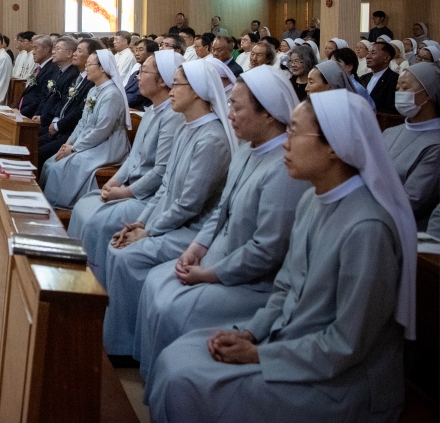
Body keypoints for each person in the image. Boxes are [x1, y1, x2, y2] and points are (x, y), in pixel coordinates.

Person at [148, 90, 416, 423]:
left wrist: (260, 355)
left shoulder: (367, 229)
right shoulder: (313, 199)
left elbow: (347, 343)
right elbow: (286, 287)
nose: (285, 144)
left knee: (187, 381)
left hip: (341, 379)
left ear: (335, 146)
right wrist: (252, 332)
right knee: (179, 355)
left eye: (294, 132)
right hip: (292, 342)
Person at [135, 66, 306, 385]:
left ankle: (174, 381)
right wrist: (196, 248)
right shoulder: (246, 150)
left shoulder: (283, 169)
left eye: (237, 108)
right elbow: (221, 211)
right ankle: (152, 376)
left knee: (175, 306)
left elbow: (267, 251)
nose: (229, 115)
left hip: (253, 282)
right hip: (218, 257)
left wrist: (211, 274)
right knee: (156, 282)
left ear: (269, 114)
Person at [103, 60, 236, 358]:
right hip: (168, 222)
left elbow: (189, 205)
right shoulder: (187, 128)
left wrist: (149, 232)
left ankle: (126, 345)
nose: (171, 90)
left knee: (127, 257)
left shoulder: (212, 139)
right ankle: (120, 332)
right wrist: (140, 224)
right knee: (118, 245)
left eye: (177, 85)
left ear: (197, 91)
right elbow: (164, 188)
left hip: (192, 229)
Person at [69, 51, 186, 283]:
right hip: (132, 188)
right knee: (83, 206)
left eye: (143, 71)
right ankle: (74, 275)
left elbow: (161, 171)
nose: (138, 77)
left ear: (163, 80)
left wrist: (125, 192)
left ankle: (95, 285)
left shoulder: (172, 117)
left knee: (97, 221)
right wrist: (114, 181)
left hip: (148, 197)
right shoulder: (152, 110)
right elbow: (133, 157)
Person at [41, 49, 131, 208]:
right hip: (89, 140)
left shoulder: (112, 94)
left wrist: (75, 148)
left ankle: (58, 205)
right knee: (50, 162)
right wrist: (68, 143)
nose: (86, 68)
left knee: (61, 166)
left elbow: (102, 130)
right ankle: (44, 202)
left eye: (90, 65)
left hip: (108, 145)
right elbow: (83, 122)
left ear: (102, 68)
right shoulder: (93, 90)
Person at [382, 63, 440, 230]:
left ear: (428, 93)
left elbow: (413, 200)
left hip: (404, 229)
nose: (399, 92)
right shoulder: (390, 132)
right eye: (398, 87)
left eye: (405, 87)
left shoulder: (436, 144)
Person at [36, 39, 98, 166]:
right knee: (31, 141)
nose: (75, 54)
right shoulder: (79, 78)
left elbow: (79, 112)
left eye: (79, 51)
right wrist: (56, 120)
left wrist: (59, 125)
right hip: (62, 127)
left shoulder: (91, 82)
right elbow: (64, 101)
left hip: (71, 131)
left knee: (39, 151)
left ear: (90, 57)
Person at [31, 36, 80, 134]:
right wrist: (38, 114)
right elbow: (46, 96)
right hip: (44, 118)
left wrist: (44, 118)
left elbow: (62, 102)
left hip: (54, 123)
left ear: (69, 53)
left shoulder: (73, 75)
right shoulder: (57, 71)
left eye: (57, 49)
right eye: (54, 49)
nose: (53, 52)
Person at [19, 35, 59, 118]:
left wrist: (22, 112)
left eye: (36, 48)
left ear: (46, 49)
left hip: (33, 115)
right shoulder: (39, 68)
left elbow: (42, 96)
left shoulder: (51, 69)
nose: (33, 52)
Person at [359, 41, 400, 115]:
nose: (368, 57)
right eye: (368, 53)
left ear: (386, 58)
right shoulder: (364, 78)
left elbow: (390, 109)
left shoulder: (394, 79)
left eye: (373, 53)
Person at [125, 39, 157, 110]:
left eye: (140, 50)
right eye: (136, 50)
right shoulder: (135, 73)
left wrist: (119, 100)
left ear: (151, 53)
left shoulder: (152, 74)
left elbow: (137, 97)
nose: (136, 53)